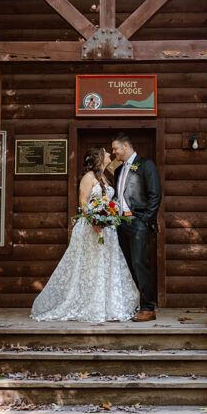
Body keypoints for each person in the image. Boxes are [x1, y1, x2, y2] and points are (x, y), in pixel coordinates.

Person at [30, 147, 139, 323]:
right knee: (91, 266)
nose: (109, 154)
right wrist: (95, 221)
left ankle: (107, 305)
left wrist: (108, 217)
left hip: (108, 230)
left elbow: (108, 197)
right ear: (98, 159)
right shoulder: (89, 178)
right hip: (91, 229)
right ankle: (89, 305)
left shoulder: (105, 176)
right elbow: (83, 202)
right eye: (105, 152)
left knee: (106, 265)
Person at [111, 132, 162, 322]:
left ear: (126, 146)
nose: (114, 152)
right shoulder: (118, 169)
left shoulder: (146, 165)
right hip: (120, 224)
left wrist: (145, 220)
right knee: (127, 266)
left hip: (138, 222)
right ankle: (133, 303)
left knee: (141, 265)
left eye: (116, 148)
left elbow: (155, 194)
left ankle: (148, 308)